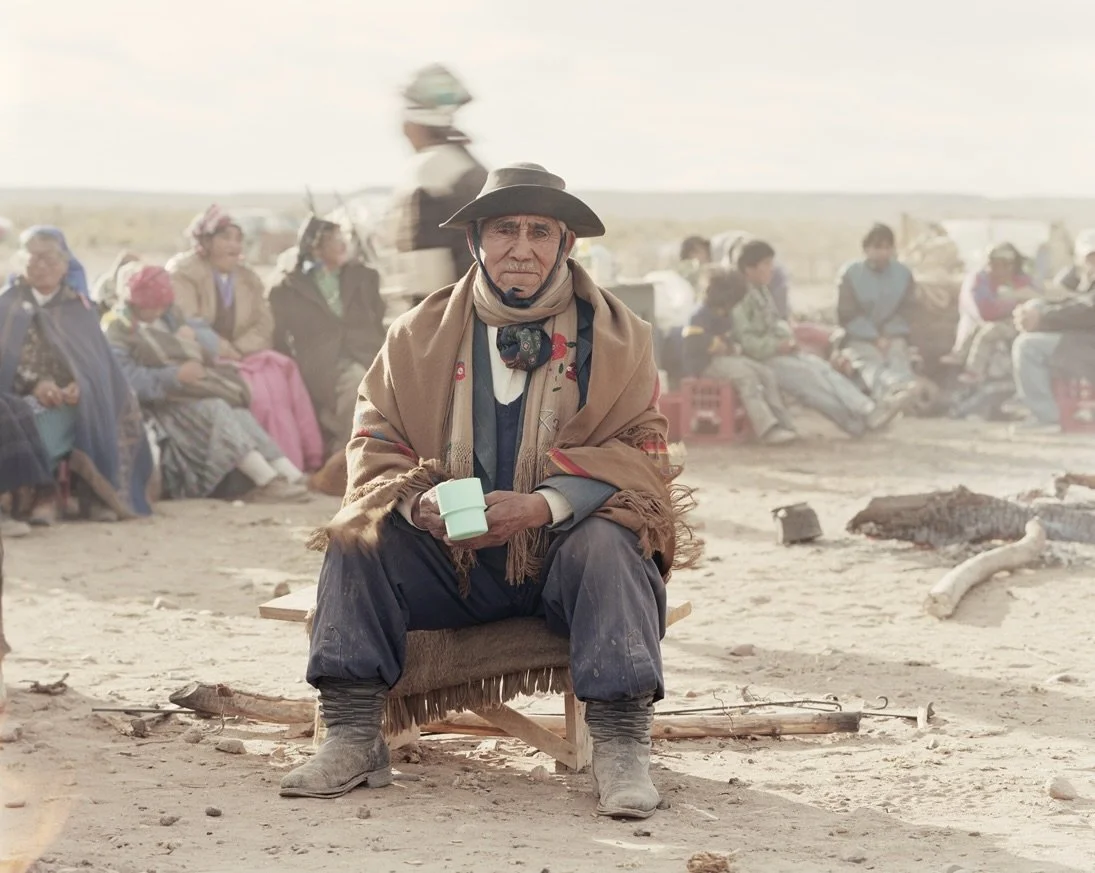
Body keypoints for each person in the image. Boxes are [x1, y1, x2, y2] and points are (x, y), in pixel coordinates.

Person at [280, 163, 698, 820]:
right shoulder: (416, 333)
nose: (522, 247)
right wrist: (414, 504)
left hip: (562, 569)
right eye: (505, 229)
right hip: (453, 563)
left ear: (565, 245)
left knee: (611, 543)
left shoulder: (618, 338)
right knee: (357, 536)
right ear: (476, 238)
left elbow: (642, 454)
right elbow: (374, 438)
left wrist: (545, 505)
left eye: (540, 231)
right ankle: (353, 733)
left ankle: (621, 744)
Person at [105, 264, 309, 502]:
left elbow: (206, 346)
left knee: (238, 412)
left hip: (192, 393)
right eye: (153, 307)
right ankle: (265, 480)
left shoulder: (171, 318)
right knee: (216, 408)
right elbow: (126, 380)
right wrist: (175, 376)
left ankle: (288, 473)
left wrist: (193, 339)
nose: (158, 311)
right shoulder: (118, 332)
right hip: (160, 406)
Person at [0, 227, 153, 521]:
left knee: (95, 404)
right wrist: (35, 385)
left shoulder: (79, 308)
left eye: (50, 259)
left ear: (64, 265)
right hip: (20, 396)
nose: (42, 266)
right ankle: (42, 494)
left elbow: (96, 364)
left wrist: (79, 385)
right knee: (23, 414)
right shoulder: (7, 306)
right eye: (34, 259)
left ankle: (89, 494)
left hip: (68, 398)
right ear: (23, 263)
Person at [167, 206, 323, 475]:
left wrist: (240, 348)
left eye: (238, 239)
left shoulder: (248, 277)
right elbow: (187, 321)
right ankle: (263, 470)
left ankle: (300, 462)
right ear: (206, 241)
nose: (234, 245)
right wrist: (222, 348)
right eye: (226, 238)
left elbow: (264, 323)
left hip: (244, 353)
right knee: (258, 394)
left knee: (281, 375)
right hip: (201, 356)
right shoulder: (183, 273)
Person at [731, 239, 903, 437]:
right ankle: (859, 421)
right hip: (762, 359)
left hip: (779, 352)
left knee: (823, 370)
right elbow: (747, 342)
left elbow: (776, 324)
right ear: (748, 269)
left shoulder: (761, 292)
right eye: (766, 264)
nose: (771, 269)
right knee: (812, 383)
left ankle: (867, 411)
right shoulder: (740, 298)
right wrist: (778, 345)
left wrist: (788, 341)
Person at [269, 217, 387, 458]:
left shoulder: (364, 277)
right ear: (315, 246)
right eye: (334, 239)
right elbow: (279, 338)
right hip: (321, 362)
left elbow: (377, 318)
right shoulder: (288, 288)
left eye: (343, 237)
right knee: (356, 384)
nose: (343, 244)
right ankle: (352, 458)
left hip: (367, 351)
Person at [384, 63, 489, 304]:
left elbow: (427, 279)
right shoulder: (471, 165)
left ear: (414, 126)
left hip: (453, 319)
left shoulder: (426, 173)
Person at [681, 269, 797, 444]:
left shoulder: (726, 315)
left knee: (766, 374)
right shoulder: (700, 315)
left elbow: (729, 341)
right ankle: (766, 429)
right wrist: (715, 345)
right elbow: (693, 343)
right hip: (705, 364)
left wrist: (730, 347)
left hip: (724, 360)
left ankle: (784, 423)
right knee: (747, 376)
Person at [836, 223, 918, 402]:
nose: (882, 253)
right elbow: (847, 314)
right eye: (877, 247)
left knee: (897, 356)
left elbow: (907, 310)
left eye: (887, 247)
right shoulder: (850, 274)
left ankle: (905, 394)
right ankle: (890, 394)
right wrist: (874, 338)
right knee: (870, 362)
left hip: (893, 334)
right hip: (858, 337)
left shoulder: (903, 274)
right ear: (866, 249)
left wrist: (888, 335)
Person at [1011, 279, 1095, 433]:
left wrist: (1044, 317)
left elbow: (1089, 311)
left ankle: (1045, 417)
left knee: (1027, 346)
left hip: (1089, 346)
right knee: (1035, 305)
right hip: (1085, 339)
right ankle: (1027, 394)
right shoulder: (1084, 277)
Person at [951, 243, 1038, 384]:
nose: (992, 269)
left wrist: (1009, 302)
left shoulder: (1023, 282)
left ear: (1009, 266)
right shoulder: (986, 280)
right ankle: (960, 354)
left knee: (988, 333)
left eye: (997, 265)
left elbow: (1029, 300)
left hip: (1019, 321)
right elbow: (987, 309)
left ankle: (975, 371)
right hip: (1003, 318)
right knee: (977, 327)